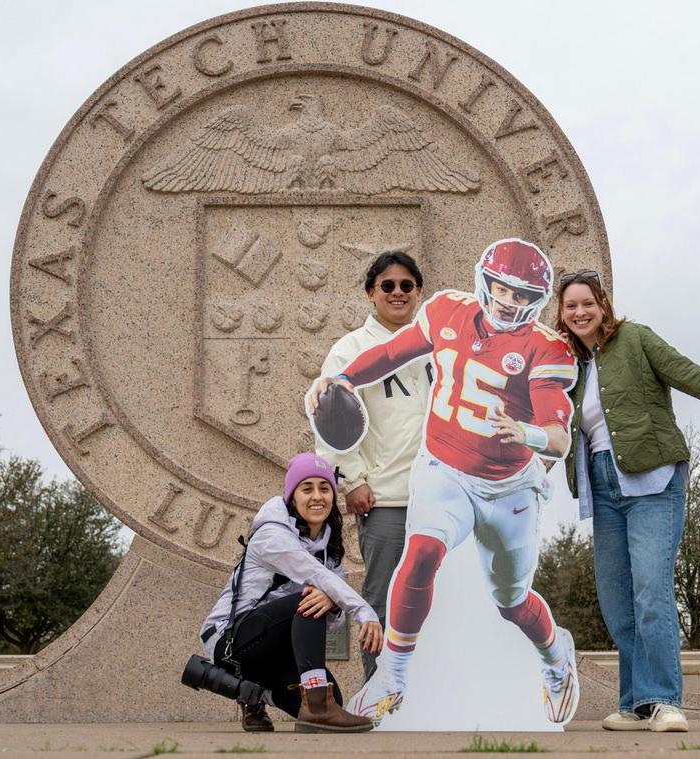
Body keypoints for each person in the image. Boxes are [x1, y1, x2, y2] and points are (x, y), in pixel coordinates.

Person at [308, 238, 581, 726]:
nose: (509, 302)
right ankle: (392, 672)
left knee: (512, 602)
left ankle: (556, 656)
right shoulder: (447, 311)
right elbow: (394, 351)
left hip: (509, 487)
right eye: (503, 288)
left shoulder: (547, 348)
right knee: (420, 557)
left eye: (522, 295)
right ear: (486, 282)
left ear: (536, 301)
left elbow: (559, 437)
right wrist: (346, 378)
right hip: (444, 469)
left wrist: (528, 433)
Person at [555, 271, 700, 733]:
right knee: (618, 602)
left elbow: (686, 372)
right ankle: (636, 704)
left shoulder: (634, 339)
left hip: (651, 477)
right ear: (561, 312)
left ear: (603, 303)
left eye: (587, 303)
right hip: (602, 482)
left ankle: (665, 701)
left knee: (651, 591)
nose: (579, 312)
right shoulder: (568, 364)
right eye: (570, 305)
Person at [199, 452, 383, 733]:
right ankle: (317, 705)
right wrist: (363, 611)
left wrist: (332, 601)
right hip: (231, 641)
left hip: (271, 649)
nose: (317, 496)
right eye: (306, 488)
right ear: (292, 497)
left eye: (324, 489)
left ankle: (254, 694)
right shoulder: (272, 535)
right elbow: (314, 575)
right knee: (307, 599)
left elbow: (334, 621)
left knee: (333, 699)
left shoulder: (327, 551)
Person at [316, 251, 431, 681]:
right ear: (371, 293)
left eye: (406, 285)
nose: (397, 293)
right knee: (383, 601)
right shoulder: (350, 350)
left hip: (444, 496)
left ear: (419, 292)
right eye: (388, 285)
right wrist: (353, 480)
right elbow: (332, 422)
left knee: (440, 602)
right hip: (386, 499)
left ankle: (429, 700)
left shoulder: (440, 345)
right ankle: (380, 695)